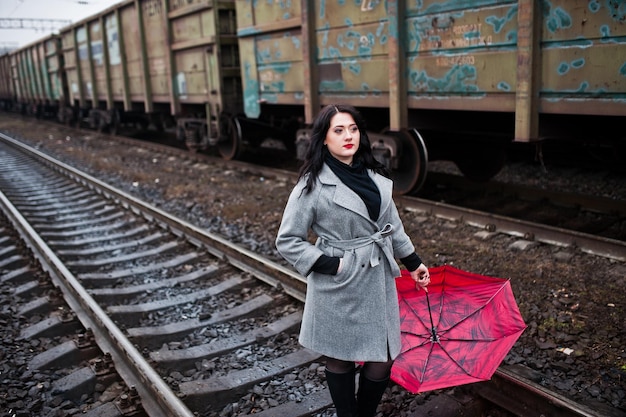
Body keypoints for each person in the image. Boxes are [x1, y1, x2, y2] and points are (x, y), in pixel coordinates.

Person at [275, 104, 430, 417]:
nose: (348, 136)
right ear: (324, 139)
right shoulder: (312, 185)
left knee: (383, 355)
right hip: (339, 281)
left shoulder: (375, 177)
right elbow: (287, 240)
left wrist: (413, 262)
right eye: (338, 130)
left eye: (353, 129)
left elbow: (392, 227)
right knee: (341, 355)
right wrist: (333, 265)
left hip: (376, 276)